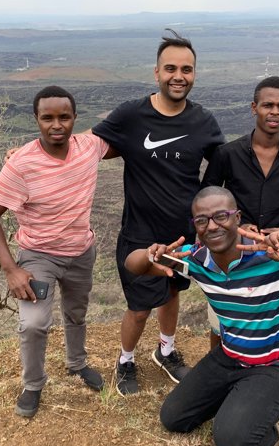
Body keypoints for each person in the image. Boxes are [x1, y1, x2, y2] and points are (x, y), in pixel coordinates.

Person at [124, 186, 279, 446]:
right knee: (173, 418)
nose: (212, 226)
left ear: (237, 217)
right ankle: (240, 399)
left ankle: (259, 425)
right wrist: (150, 255)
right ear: (195, 226)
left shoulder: (273, 256)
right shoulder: (195, 260)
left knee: (233, 442)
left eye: (221, 216)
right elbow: (133, 265)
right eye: (202, 220)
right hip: (231, 357)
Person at [90, 29, 225, 395]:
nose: (178, 76)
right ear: (156, 73)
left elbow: (232, 161)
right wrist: (28, 154)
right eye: (170, 68)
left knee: (172, 293)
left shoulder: (204, 121)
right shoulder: (132, 115)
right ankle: (125, 359)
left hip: (183, 235)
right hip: (139, 234)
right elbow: (84, 145)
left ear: (194, 73)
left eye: (187, 69)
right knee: (139, 307)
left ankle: (165, 350)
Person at [0, 86, 118, 418]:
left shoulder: (89, 147)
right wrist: (11, 269)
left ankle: (77, 363)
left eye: (64, 117)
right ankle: (33, 384)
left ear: (74, 118)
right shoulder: (22, 164)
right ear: (36, 119)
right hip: (38, 257)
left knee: (76, 312)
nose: (56, 125)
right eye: (47, 118)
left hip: (81, 252)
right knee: (33, 323)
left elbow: (125, 140)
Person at [201, 75, 279, 349]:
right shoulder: (227, 154)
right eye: (268, 105)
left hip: (275, 252)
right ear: (254, 107)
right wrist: (233, 226)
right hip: (231, 251)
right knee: (222, 321)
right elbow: (207, 197)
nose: (274, 112)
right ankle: (220, 371)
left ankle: (262, 368)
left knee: (271, 316)